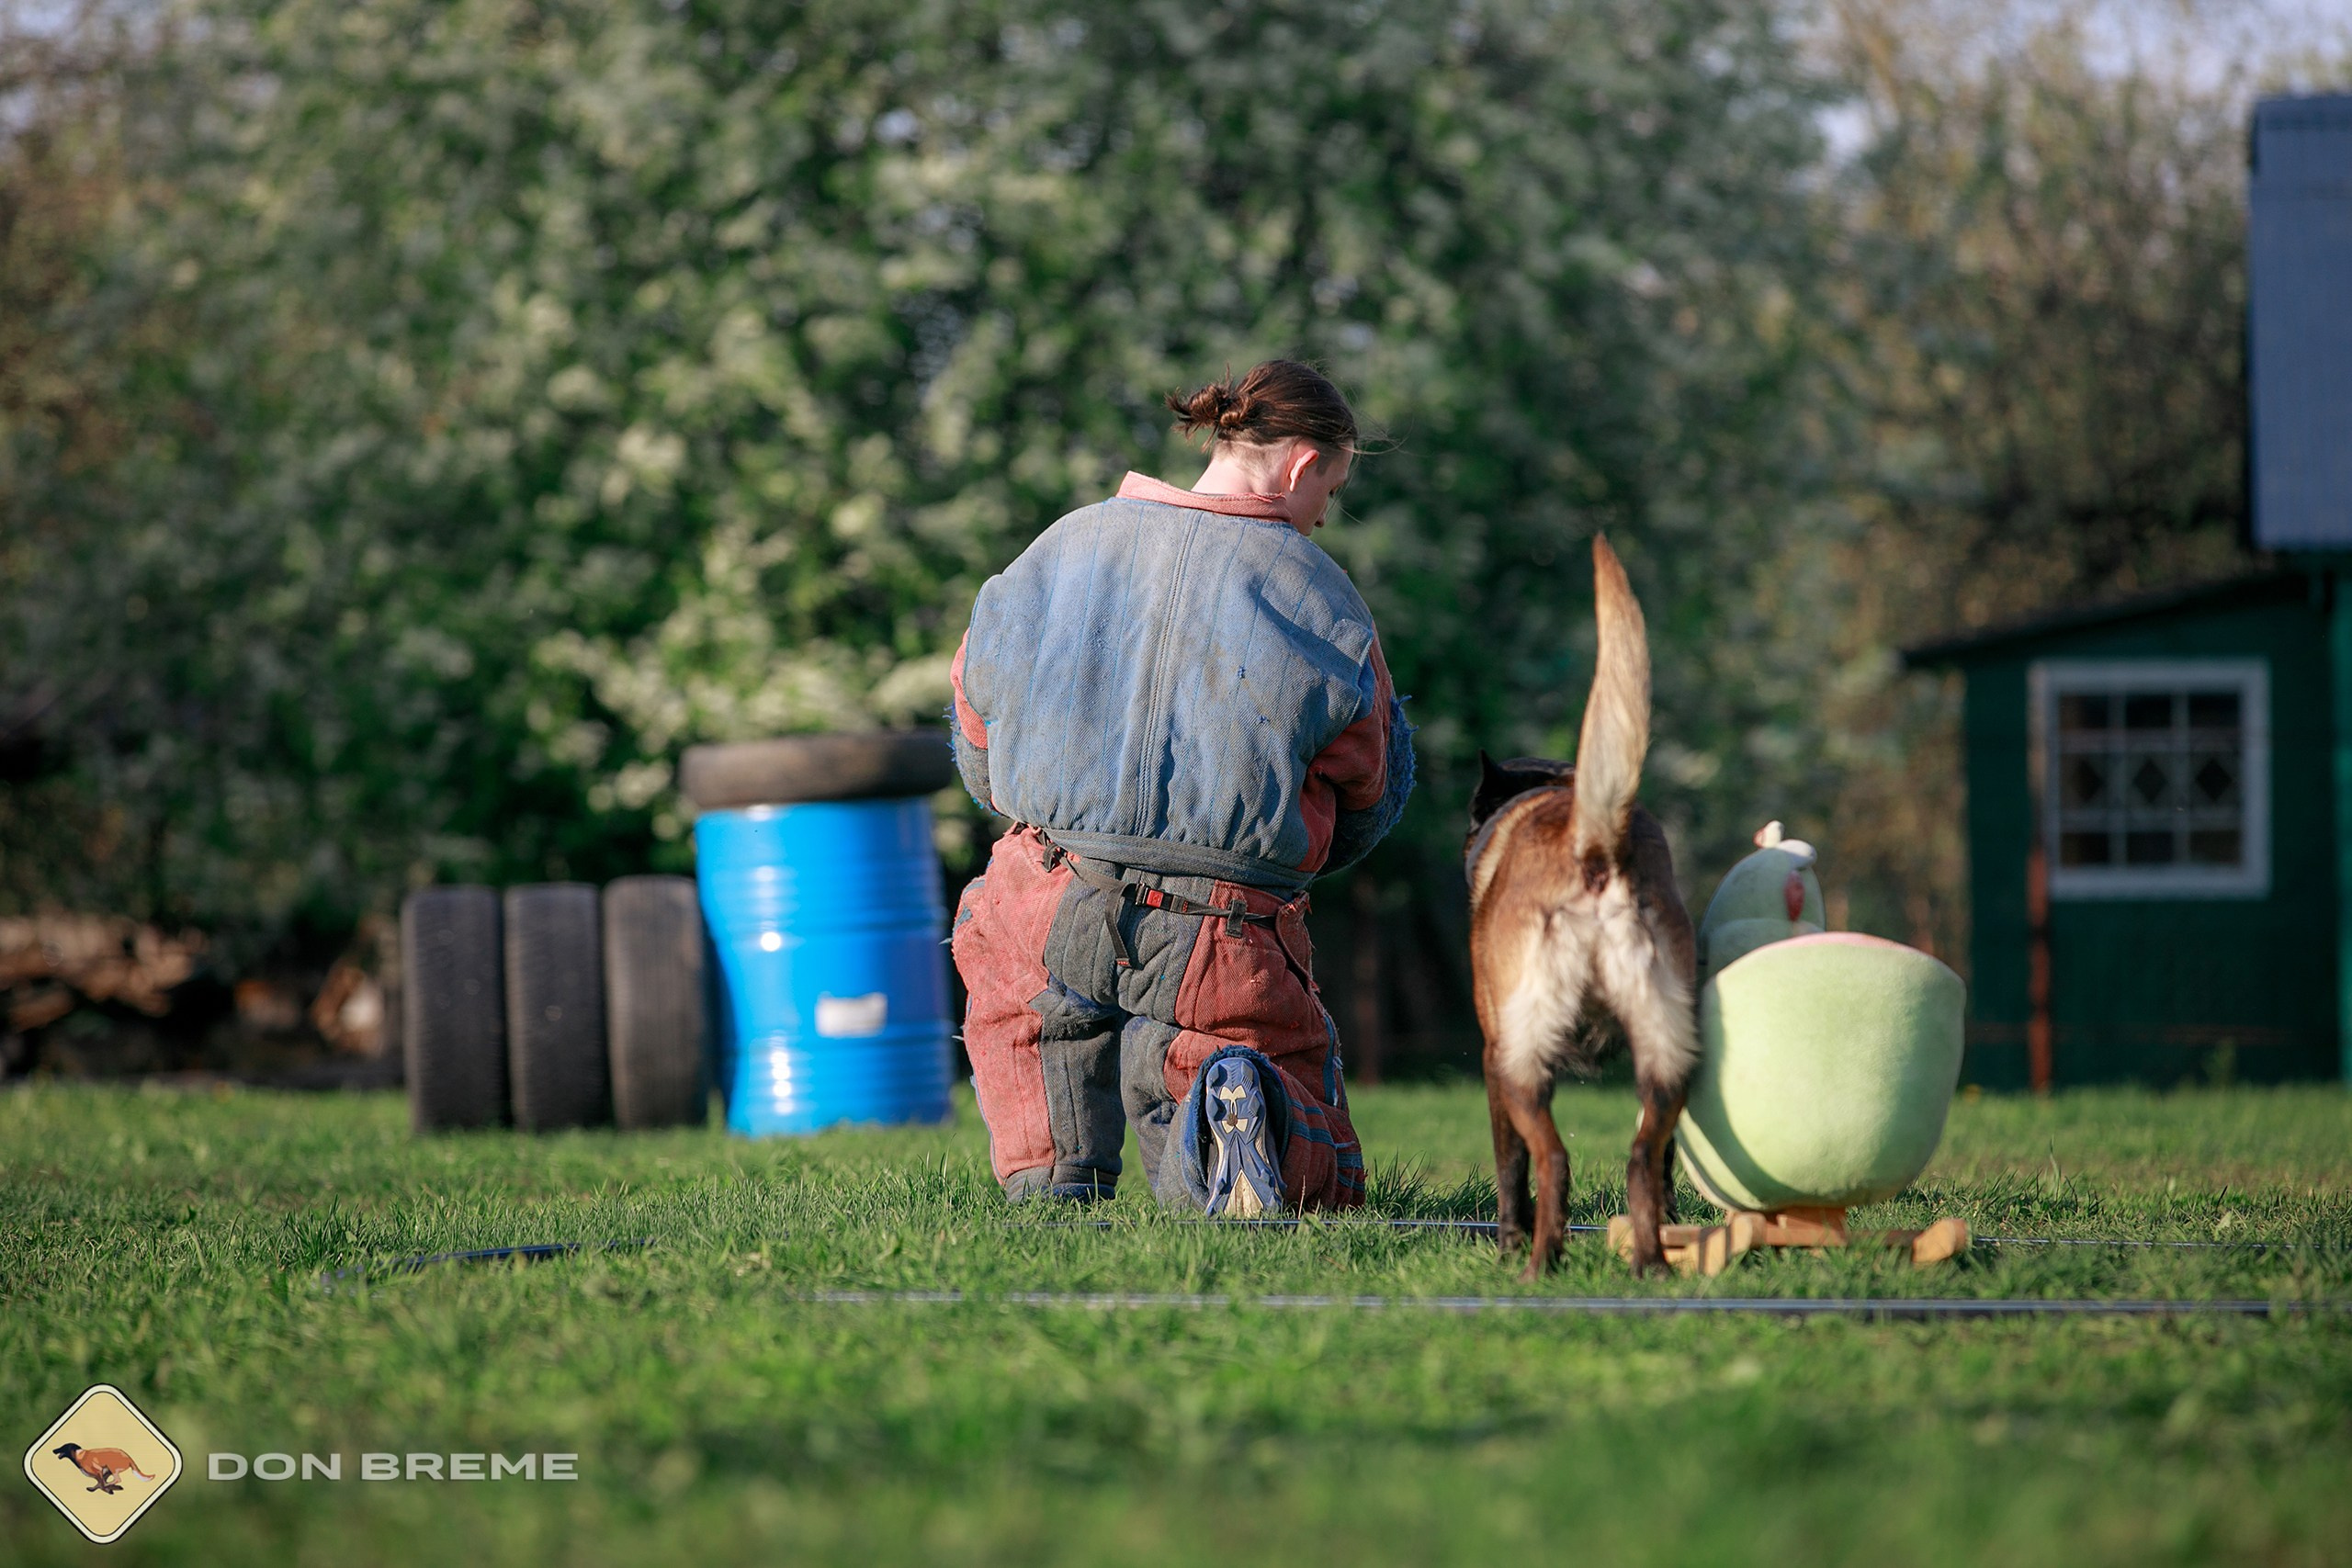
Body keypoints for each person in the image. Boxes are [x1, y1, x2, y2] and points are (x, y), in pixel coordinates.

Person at [947, 359, 1414, 1214]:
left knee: (1025, 1023)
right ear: (1304, 465)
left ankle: (1052, 1182)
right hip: (1222, 923)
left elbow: (976, 729)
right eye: (1332, 492)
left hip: (1048, 885)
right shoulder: (1324, 597)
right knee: (1266, 1089)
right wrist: (1286, 864)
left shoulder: (1061, 545)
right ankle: (1233, 1101)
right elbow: (1369, 788)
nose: (1321, 518)